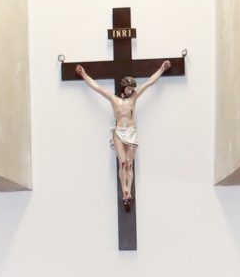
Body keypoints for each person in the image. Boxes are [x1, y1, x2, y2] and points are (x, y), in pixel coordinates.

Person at [73, 60, 171, 206]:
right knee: (123, 162)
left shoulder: (134, 97)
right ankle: (124, 187)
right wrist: (84, 75)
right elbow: (98, 88)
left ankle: (128, 191)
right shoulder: (114, 99)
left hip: (131, 132)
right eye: (129, 88)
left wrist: (162, 69)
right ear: (124, 87)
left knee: (129, 163)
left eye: (132, 88)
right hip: (119, 132)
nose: (131, 91)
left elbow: (149, 83)